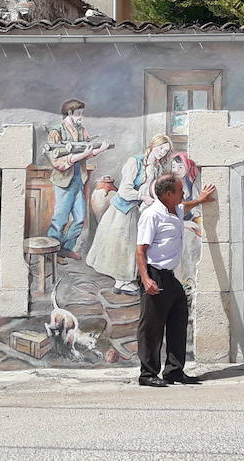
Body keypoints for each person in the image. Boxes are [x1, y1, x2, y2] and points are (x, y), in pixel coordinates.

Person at [135, 172, 216, 387]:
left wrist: (200, 200)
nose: (183, 193)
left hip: (169, 277)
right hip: (154, 274)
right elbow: (140, 250)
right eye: (180, 190)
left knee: (178, 321)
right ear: (168, 194)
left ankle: (174, 371)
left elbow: (186, 206)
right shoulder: (152, 215)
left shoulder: (176, 209)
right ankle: (148, 374)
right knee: (152, 327)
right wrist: (146, 280)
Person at [86, 134, 172, 294]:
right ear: (152, 145)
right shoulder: (135, 162)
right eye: (160, 148)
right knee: (123, 245)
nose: (162, 153)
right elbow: (125, 190)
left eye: (165, 151)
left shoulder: (157, 166)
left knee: (135, 244)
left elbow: (152, 186)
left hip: (138, 209)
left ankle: (127, 279)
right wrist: (142, 197)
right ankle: (121, 282)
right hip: (123, 210)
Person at [46, 99, 111, 260]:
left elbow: (86, 152)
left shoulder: (81, 130)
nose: (81, 117)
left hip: (78, 180)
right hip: (63, 182)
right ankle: (51, 253)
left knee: (80, 219)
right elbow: (57, 162)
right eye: (79, 114)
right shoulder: (56, 132)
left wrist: (98, 151)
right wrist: (81, 155)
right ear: (69, 113)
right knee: (59, 220)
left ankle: (65, 249)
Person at [169, 152, 204, 294]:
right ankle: (181, 280)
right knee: (186, 238)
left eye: (180, 167)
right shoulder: (169, 185)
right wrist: (184, 223)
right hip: (171, 222)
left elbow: (196, 206)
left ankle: (192, 278)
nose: (176, 170)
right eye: (173, 166)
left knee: (196, 237)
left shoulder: (190, 184)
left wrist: (198, 220)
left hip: (187, 221)